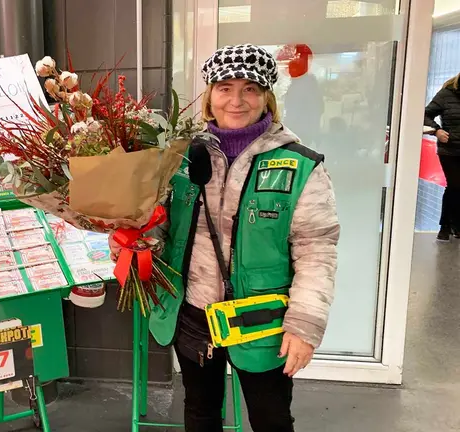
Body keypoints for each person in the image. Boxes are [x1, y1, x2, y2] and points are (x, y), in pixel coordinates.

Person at [110, 44, 340, 431]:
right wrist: (131, 239)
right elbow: (160, 229)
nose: (236, 100)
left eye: (250, 88)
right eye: (225, 87)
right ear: (210, 96)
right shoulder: (178, 159)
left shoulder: (301, 166)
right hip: (194, 314)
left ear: (266, 96)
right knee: (200, 412)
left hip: (264, 320)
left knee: (271, 418)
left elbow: (317, 252)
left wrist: (304, 325)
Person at [424, 74, 460, 242]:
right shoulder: (446, 94)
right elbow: (425, 115)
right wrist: (436, 131)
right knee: (454, 185)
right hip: (449, 150)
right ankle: (445, 226)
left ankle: (454, 225)